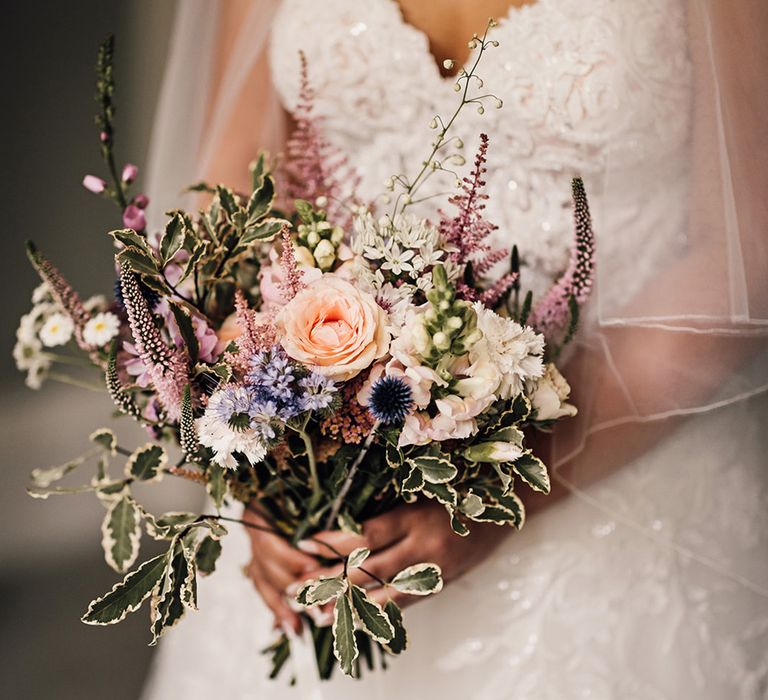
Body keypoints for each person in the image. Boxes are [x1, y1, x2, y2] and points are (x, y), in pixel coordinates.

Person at [142, 1, 768, 698]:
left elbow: (745, 250)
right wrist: (263, 465)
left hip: (626, 458)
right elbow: (226, 218)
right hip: (324, 482)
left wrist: (510, 488)